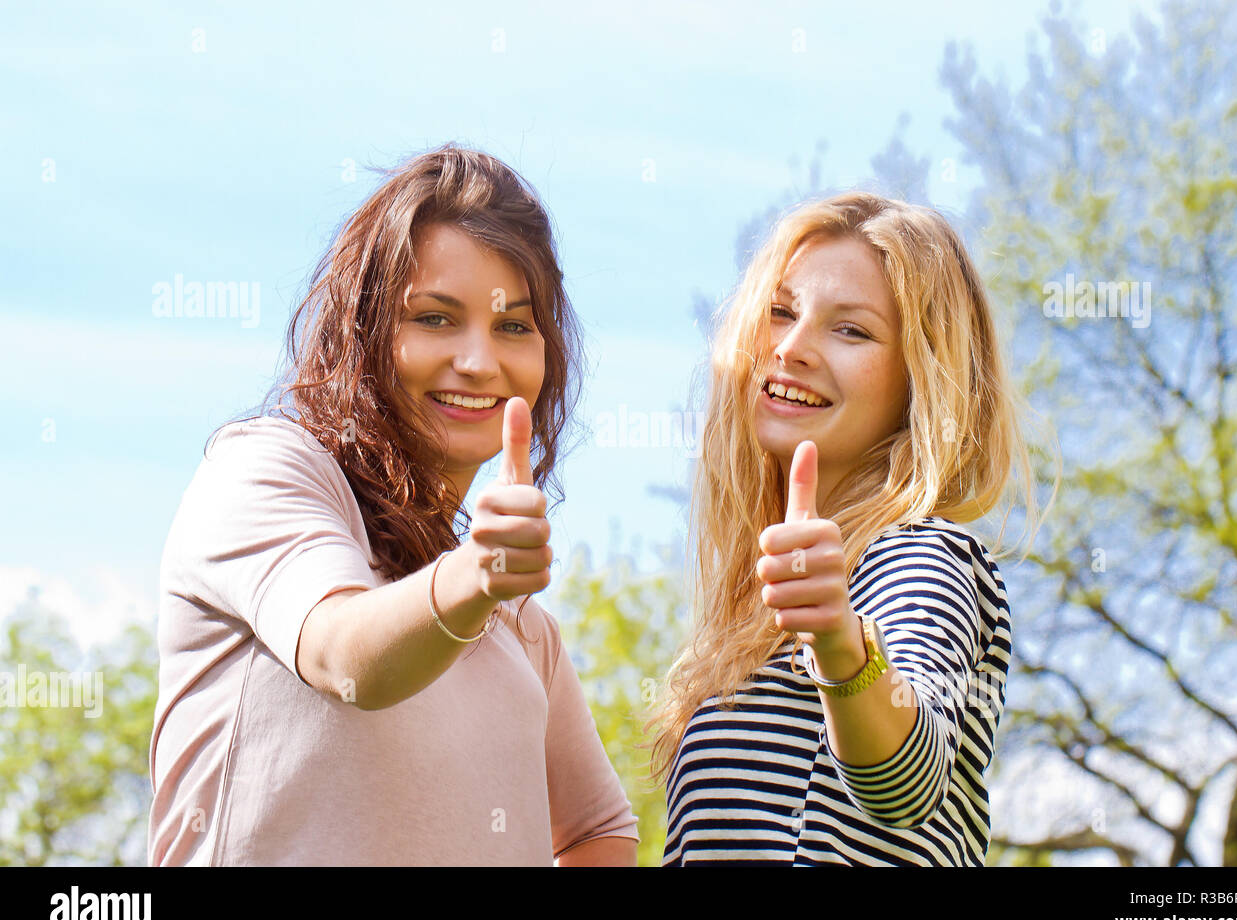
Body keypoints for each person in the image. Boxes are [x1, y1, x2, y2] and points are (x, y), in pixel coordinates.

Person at [147, 145, 638, 866]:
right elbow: (347, 658)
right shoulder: (264, 471)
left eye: (513, 326)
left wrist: (479, 580)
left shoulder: (522, 631)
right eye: (437, 319)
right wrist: (474, 575)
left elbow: (599, 828)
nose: (478, 361)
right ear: (365, 331)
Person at [651, 192, 1056, 865]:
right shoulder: (763, 609)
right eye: (780, 313)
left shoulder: (921, 557)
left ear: (920, 382)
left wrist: (844, 647)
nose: (792, 346)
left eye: (851, 330)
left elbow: (907, 781)